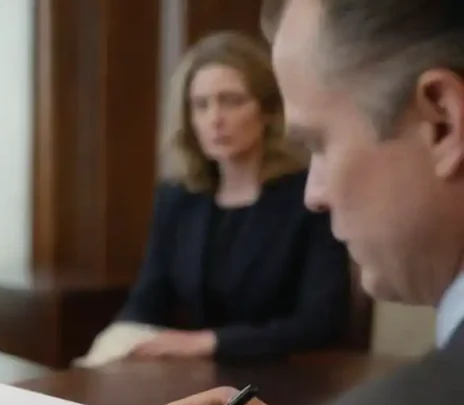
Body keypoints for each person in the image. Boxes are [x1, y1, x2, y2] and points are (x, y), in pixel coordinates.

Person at [67, 0, 464, 405]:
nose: (315, 193)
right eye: (202, 105)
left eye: (320, 143)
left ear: (442, 122)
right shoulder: (181, 197)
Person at [114, 30, 350, 362]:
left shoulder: (308, 198)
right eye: (201, 105)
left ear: (266, 111)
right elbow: (149, 299)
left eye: (232, 100)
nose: (215, 119)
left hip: (288, 377)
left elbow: (320, 322)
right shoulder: (178, 198)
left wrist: (208, 342)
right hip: (194, 377)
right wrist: (115, 345)